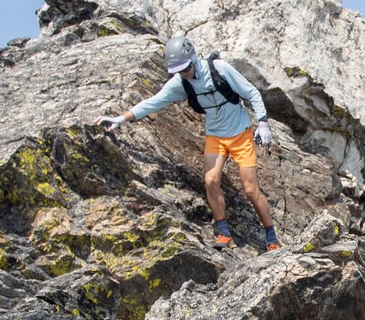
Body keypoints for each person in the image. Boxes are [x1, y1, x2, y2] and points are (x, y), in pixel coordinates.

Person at [97, 36, 281, 251]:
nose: (184, 73)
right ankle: (223, 233)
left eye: (186, 68)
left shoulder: (219, 69)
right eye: (179, 70)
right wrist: (122, 118)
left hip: (241, 134)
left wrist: (263, 123)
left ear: (193, 58)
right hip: (215, 136)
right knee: (211, 180)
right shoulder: (180, 83)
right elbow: (153, 102)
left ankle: (272, 237)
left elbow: (251, 92)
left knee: (250, 189)